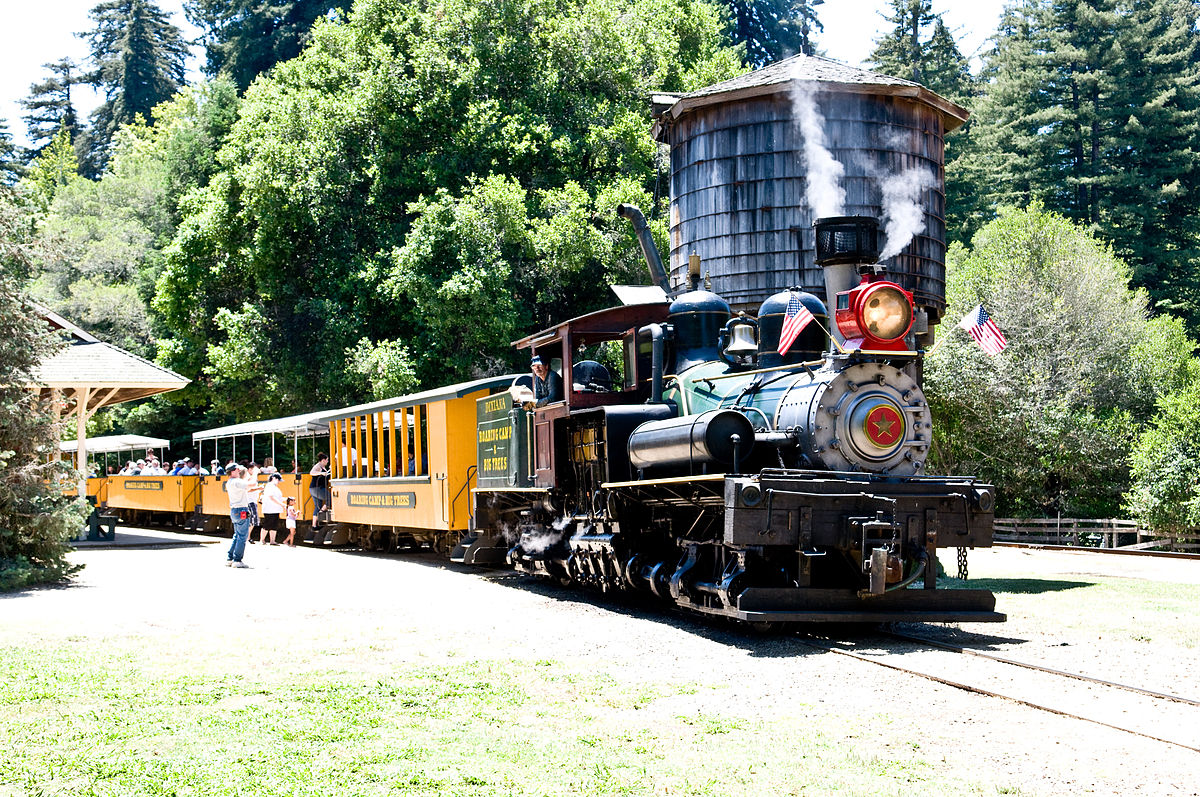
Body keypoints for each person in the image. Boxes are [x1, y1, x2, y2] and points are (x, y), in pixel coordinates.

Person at [224, 465, 262, 568]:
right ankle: (237, 560)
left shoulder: (230, 482)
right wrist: (255, 473)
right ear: (232, 471)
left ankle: (230, 558)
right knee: (242, 537)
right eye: (237, 469)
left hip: (234, 510)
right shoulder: (236, 481)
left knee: (237, 535)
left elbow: (247, 488)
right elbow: (252, 483)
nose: (239, 470)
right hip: (242, 510)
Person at [259, 473, 285, 545]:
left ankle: (272, 541)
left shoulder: (274, 487)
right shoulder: (270, 486)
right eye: (278, 480)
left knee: (274, 525)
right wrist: (281, 504)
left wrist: (285, 499)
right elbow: (271, 497)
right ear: (274, 478)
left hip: (275, 509)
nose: (279, 482)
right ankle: (262, 540)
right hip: (269, 508)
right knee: (267, 524)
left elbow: (277, 497)